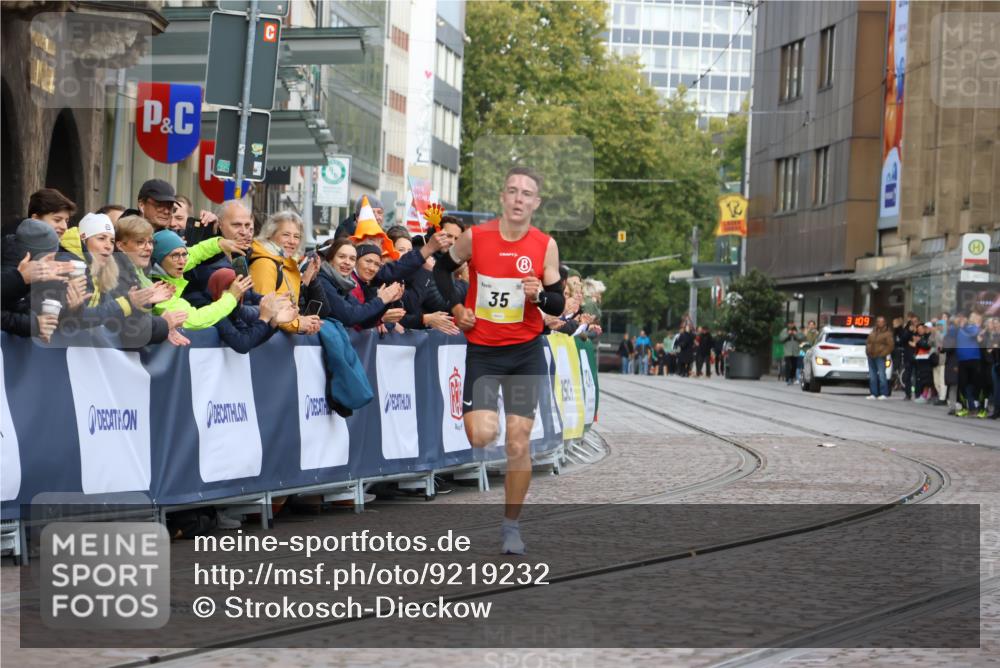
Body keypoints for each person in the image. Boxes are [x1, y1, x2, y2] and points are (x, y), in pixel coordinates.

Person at [431, 165, 565, 555]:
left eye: (527, 193)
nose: (519, 198)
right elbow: (441, 270)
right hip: (484, 353)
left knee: (518, 443)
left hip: (525, 352)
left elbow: (556, 301)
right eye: (513, 191)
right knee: (481, 435)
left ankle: (511, 527)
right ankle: (491, 447)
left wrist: (539, 295)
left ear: (535, 203)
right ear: (503, 198)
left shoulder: (545, 245)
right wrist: (456, 307)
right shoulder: (477, 237)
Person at [149, 230, 248, 329]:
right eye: (175, 255)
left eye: (184, 254)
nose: (182, 261)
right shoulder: (156, 289)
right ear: (158, 259)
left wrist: (219, 243)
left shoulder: (168, 265)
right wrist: (231, 297)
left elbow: (196, 252)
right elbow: (195, 319)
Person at [248, 211, 324, 335]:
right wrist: (298, 324)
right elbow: (264, 311)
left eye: (296, 236)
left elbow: (287, 307)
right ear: (270, 235)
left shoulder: (285, 263)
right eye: (286, 235)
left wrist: (303, 321)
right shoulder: (265, 264)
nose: (292, 241)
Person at [315, 238, 405, 329]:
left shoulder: (346, 285)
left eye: (352, 259)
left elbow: (363, 322)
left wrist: (387, 301)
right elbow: (349, 317)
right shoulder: (322, 281)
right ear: (331, 258)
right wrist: (381, 300)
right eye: (342, 257)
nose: (347, 262)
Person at [183, 200, 255, 306]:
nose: (244, 232)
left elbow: (247, 297)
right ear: (219, 224)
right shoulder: (205, 253)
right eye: (236, 225)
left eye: (247, 225)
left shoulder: (243, 252)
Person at [208, 268, 299, 353]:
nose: (237, 294)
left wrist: (273, 323)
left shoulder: (235, 308)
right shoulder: (213, 312)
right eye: (230, 290)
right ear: (217, 290)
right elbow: (242, 344)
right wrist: (264, 318)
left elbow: (250, 339)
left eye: (240, 289)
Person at [954, 312, 983, 417]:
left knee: (973, 384)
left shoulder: (973, 328)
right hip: (962, 360)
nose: (961, 319)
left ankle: (976, 407)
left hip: (973, 359)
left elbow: (975, 334)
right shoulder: (958, 329)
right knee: (962, 384)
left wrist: (975, 324)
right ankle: (968, 407)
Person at [865, 316, 894, 400]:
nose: (879, 323)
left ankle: (884, 393)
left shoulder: (887, 333)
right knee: (872, 375)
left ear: (884, 323)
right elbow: (868, 342)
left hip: (880, 357)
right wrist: (867, 351)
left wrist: (883, 354)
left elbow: (890, 346)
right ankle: (873, 393)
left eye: (881, 321)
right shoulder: (873, 332)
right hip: (871, 356)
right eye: (878, 321)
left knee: (882, 375)